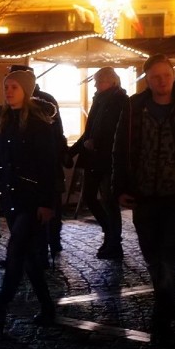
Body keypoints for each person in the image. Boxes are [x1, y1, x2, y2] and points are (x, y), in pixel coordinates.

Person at [112, 54, 175, 345]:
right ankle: (166, 300)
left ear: (173, 76)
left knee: (168, 256)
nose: (162, 81)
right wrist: (120, 188)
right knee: (152, 255)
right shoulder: (133, 108)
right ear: (147, 79)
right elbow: (120, 150)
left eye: (166, 75)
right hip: (144, 197)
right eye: (156, 76)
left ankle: (162, 313)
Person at [0, 70, 59, 333]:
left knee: (14, 254)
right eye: (7, 86)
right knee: (29, 258)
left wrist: (47, 203)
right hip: (11, 198)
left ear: (26, 90)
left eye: (14, 87)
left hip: (32, 201)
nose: (9, 91)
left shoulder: (39, 123)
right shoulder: (2, 120)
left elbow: (49, 165)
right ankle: (47, 308)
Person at [68, 67, 128, 259]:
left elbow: (118, 132)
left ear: (112, 81)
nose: (95, 85)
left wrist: (96, 144)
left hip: (108, 159)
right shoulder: (100, 100)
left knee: (109, 202)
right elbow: (90, 130)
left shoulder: (120, 102)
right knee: (90, 197)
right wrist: (74, 150)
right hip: (94, 157)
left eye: (99, 81)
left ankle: (113, 241)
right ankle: (110, 234)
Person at [10, 65, 67, 262]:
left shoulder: (43, 105)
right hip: (26, 178)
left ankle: (48, 246)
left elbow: (54, 138)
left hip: (43, 169)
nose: (10, 89)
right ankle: (38, 252)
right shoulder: (10, 110)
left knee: (48, 208)